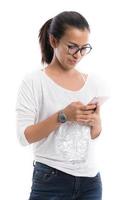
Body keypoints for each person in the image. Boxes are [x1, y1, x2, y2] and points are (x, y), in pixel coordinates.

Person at [16, 11, 108, 200]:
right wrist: (63, 116)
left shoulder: (93, 82)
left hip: (90, 182)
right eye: (72, 47)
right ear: (53, 41)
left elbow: (94, 135)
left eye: (84, 48)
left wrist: (96, 122)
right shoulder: (34, 82)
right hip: (51, 180)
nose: (78, 55)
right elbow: (24, 136)